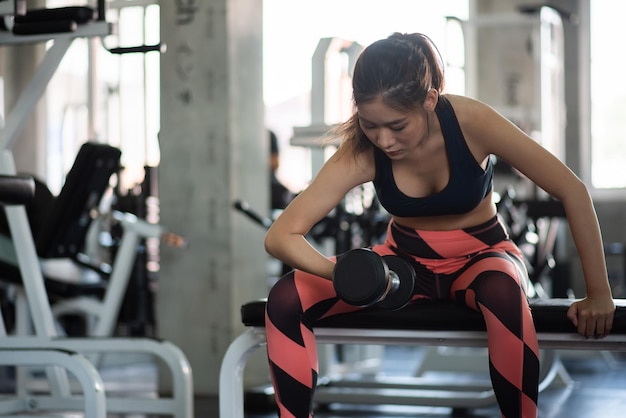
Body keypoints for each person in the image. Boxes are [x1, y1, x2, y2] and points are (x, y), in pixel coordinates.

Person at [263, 32, 615, 418]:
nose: (383, 140)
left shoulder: (471, 123)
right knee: (285, 298)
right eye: (370, 124)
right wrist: (344, 274)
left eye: (397, 126)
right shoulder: (365, 150)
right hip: (401, 271)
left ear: (430, 99)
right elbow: (282, 235)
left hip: (482, 259)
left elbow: (572, 190)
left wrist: (599, 294)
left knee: (503, 293)